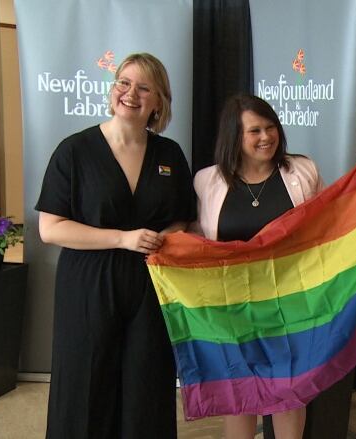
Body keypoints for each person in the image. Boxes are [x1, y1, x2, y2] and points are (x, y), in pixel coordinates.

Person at [37, 53, 195, 438]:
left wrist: (166, 237)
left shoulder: (169, 154)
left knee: (147, 385)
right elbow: (50, 228)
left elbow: (181, 218)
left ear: (159, 101)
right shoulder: (74, 151)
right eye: (123, 82)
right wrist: (122, 239)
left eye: (144, 87)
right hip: (88, 284)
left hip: (150, 286)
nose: (131, 93)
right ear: (112, 91)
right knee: (86, 385)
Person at [191, 94, 325, 439]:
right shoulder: (207, 181)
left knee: (289, 393)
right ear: (234, 137)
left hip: (291, 304)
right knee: (239, 394)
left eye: (270, 127)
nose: (266, 136)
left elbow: (329, 222)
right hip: (232, 307)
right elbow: (196, 240)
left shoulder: (303, 171)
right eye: (255, 130)